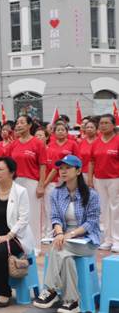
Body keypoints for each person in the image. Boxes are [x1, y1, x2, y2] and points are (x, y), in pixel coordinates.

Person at [33, 155, 101, 313]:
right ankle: (72, 301)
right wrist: (59, 233)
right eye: (61, 168)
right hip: (64, 239)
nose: (63, 171)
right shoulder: (56, 193)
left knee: (59, 247)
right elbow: (55, 217)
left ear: (78, 171)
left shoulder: (91, 194)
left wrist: (71, 234)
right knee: (65, 257)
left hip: (86, 241)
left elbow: (91, 222)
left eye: (68, 168)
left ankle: (50, 290)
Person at [0, 156, 36, 307]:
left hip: (16, 236)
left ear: (11, 172)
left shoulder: (20, 191)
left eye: (1, 169)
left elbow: (24, 219)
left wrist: (8, 236)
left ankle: (4, 292)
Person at [5, 115, 48, 250]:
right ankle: (20, 245)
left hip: (32, 182)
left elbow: (43, 165)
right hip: (15, 183)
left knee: (33, 214)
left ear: (30, 125)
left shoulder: (38, 144)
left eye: (22, 122)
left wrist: (41, 185)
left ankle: (35, 246)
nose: (18, 125)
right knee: (16, 214)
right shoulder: (13, 144)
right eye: (17, 123)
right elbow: (8, 165)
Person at [89, 114, 119, 252]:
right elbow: (91, 161)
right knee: (104, 210)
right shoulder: (96, 142)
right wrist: (90, 178)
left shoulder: (117, 140)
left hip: (115, 178)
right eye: (101, 123)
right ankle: (107, 239)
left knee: (115, 209)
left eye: (106, 123)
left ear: (113, 125)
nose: (103, 125)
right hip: (99, 179)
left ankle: (117, 240)